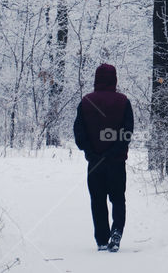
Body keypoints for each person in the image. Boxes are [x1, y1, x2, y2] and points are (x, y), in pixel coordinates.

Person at [73, 63, 134, 252]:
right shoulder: (123, 101)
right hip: (116, 162)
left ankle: (101, 239)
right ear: (114, 79)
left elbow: (79, 131)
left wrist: (90, 152)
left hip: (95, 162)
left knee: (97, 200)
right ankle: (116, 232)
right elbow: (127, 131)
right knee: (118, 198)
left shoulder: (86, 102)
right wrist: (114, 151)